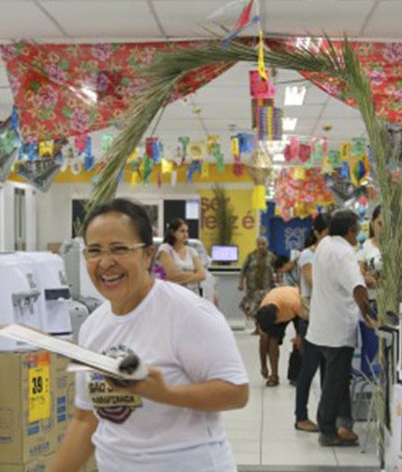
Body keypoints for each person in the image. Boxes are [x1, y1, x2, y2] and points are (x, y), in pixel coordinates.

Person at [51, 198, 248, 472]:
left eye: (119, 249)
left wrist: (166, 393)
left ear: (148, 255)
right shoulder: (92, 327)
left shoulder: (188, 314)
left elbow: (236, 392)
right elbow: (86, 419)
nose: (105, 262)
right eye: (94, 251)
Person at [306, 209, 378, 447]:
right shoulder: (344, 251)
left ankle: (343, 424)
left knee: (337, 376)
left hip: (322, 323)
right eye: (357, 230)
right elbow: (358, 287)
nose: (357, 235)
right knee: (336, 380)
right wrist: (369, 315)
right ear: (349, 231)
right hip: (337, 325)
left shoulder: (325, 243)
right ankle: (327, 430)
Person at [294, 213, 330, 433]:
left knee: (328, 371)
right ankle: (300, 416)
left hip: (328, 319)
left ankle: (325, 416)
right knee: (308, 370)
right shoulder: (308, 255)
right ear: (317, 233)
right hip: (311, 319)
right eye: (326, 233)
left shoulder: (329, 254)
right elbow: (312, 282)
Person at [255, 286, 303, 387]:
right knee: (271, 341)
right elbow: (263, 342)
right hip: (279, 303)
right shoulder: (263, 310)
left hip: (298, 310)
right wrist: (263, 366)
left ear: (277, 318)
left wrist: (300, 336)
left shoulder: (294, 303)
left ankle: (296, 376)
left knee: (299, 343)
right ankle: (274, 376)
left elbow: (305, 321)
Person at [156, 218, 206, 295]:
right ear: (173, 232)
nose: (186, 234)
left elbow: (202, 275)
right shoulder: (165, 249)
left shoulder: (192, 251)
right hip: (173, 294)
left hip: (192, 295)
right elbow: (171, 275)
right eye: (182, 231)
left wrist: (179, 276)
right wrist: (193, 274)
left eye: (187, 231)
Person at [238, 237, 276, 330]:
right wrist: (241, 283)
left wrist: (278, 281)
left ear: (267, 245)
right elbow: (243, 270)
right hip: (252, 286)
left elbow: (277, 269)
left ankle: (261, 327)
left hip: (266, 286)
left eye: (263, 244)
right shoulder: (251, 256)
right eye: (259, 244)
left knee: (263, 308)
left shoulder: (271, 256)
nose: (261, 246)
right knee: (250, 308)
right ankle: (257, 326)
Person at [358, 205, 382, 304]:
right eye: (379, 223)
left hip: (392, 301)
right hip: (371, 301)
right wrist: (369, 279)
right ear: (372, 223)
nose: (383, 228)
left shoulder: (397, 247)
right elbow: (358, 276)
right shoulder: (366, 246)